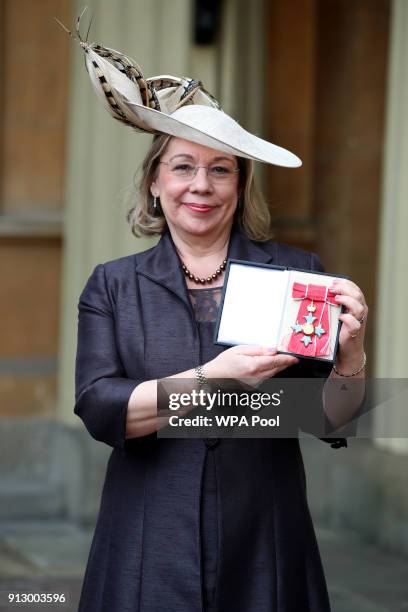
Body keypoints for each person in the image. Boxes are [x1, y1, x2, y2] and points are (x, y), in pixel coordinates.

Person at [73, 32, 367, 612]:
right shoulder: (113, 283)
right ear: (156, 183)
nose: (200, 186)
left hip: (265, 534)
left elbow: (333, 423)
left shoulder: (295, 273)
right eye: (183, 167)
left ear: (240, 185)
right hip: (147, 534)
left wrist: (351, 356)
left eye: (221, 170)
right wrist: (212, 379)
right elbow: (100, 406)